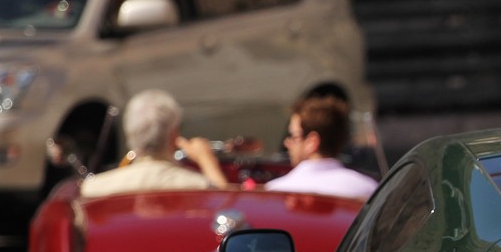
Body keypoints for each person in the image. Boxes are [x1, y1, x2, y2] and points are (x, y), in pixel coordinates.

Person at [78, 89, 227, 197]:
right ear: (174, 135)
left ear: (129, 132)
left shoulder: (92, 188)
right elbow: (230, 206)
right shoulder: (197, 186)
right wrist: (207, 160)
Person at [264, 94, 378, 199]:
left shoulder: (275, 192)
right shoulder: (369, 189)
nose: (287, 143)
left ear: (312, 142)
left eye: (294, 136)